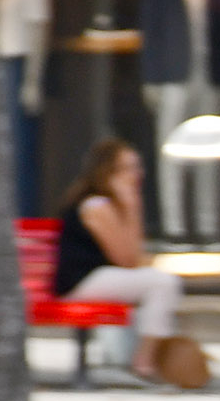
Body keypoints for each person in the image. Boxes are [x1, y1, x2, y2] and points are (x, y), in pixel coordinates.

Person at [53, 138, 186, 383]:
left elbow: (134, 258)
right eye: (129, 168)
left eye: (138, 167)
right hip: (81, 283)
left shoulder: (111, 205)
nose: (137, 175)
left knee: (160, 284)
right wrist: (133, 208)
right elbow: (127, 260)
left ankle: (141, 359)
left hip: (99, 278)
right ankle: (144, 363)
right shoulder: (96, 206)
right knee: (163, 283)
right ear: (107, 172)